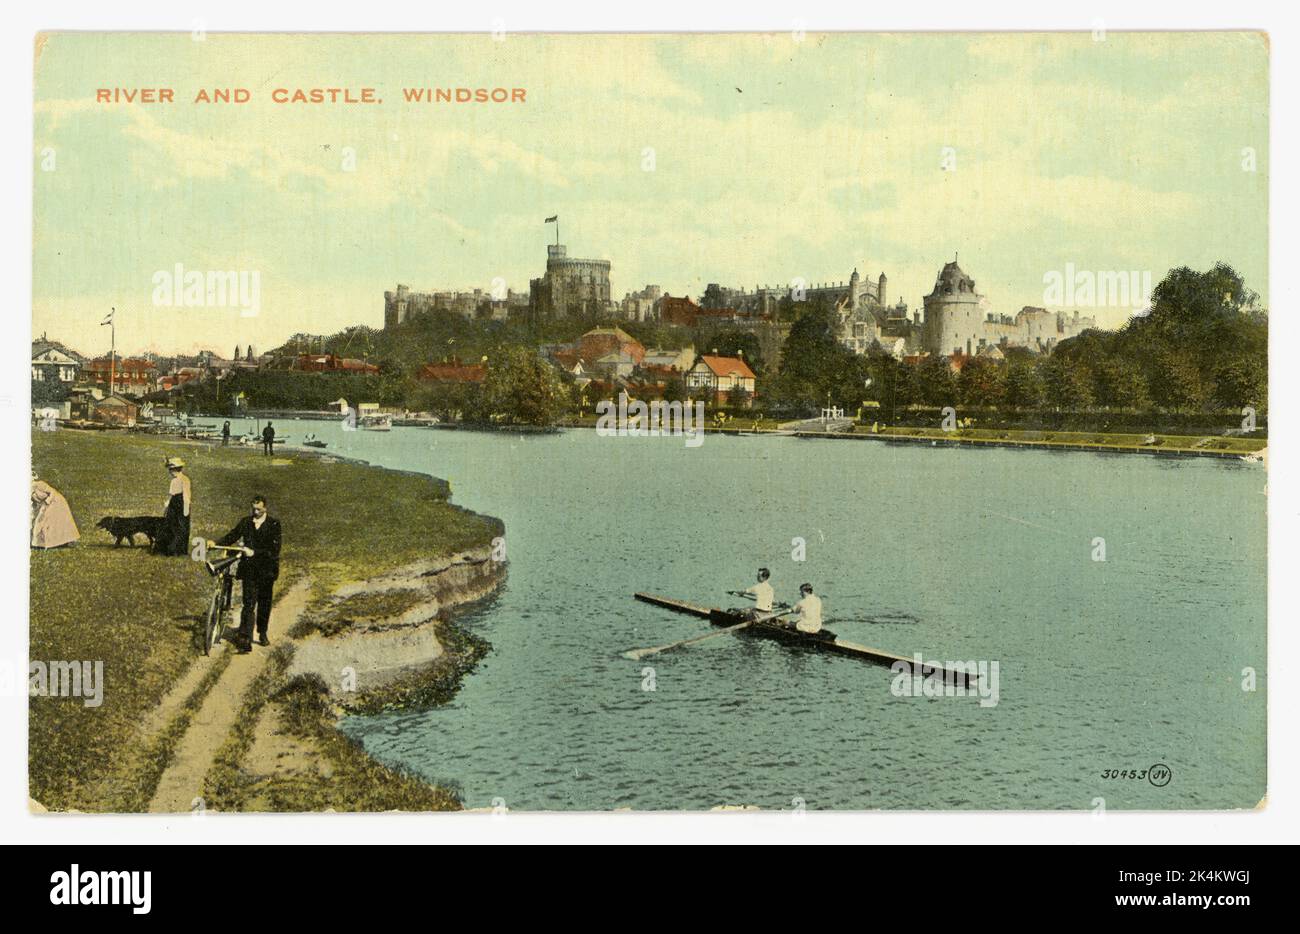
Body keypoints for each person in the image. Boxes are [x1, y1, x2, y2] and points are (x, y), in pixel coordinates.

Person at [211, 494, 282, 653]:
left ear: (265, 508)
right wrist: (215, 543)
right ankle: (245, 639)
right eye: (253, 509)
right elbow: (232, 536)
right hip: (249, 570)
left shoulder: (274, 524)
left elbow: (274, 550)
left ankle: (262, 633)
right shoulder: (246, 522)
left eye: (259, 509)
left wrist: (254, 552)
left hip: (266, 571)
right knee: (248, 603)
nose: (255, 512)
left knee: (264, 603)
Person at [31, 472, 79, 549]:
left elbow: (52, 492)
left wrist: (48, 502)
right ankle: (40, 544)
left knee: (53, 521)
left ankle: (58, 542)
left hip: (56, 501)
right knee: (39, 521)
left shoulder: (39, 484)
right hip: (46, 503)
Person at [158, 457, 191, 557]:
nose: (170, 472)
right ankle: (169, 549)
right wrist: (167, 505)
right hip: (174, 504)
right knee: (171, 525)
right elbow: (172, 495)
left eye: (171, 469)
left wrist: (186, 508)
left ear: (176, 469)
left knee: (182, 527)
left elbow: (186, 494)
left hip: (182, 504)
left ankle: (180, 551)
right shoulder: (173, 481)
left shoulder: (184, 479)